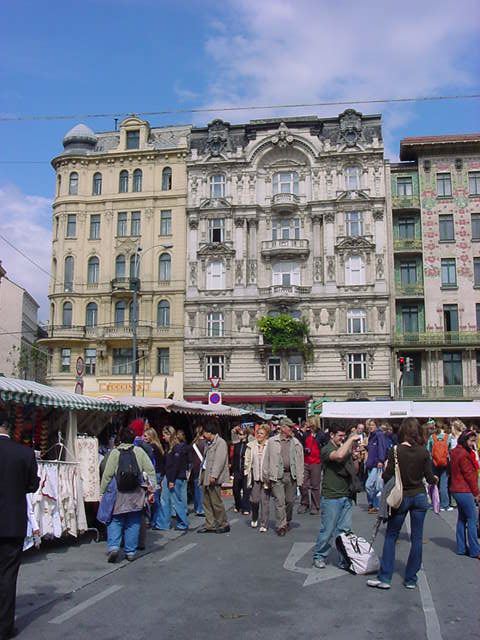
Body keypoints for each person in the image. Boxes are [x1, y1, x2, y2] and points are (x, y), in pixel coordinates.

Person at [367, 418, 438, 590]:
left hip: (401, 497)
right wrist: (434, 479)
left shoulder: (396, 450)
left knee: (391, 535)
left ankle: (385, 578)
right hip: (419, 496)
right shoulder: (423, 452)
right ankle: (411, 579)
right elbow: (430, 478)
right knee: (417, 538)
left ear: (403, 432)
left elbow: (386, 475)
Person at [0, 412, 40, 640]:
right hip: (11, 522)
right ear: (8, 427)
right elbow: (32, 485)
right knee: (7, 575)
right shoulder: (24, 453)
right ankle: (4, 627)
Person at [100, 426, 156, 562]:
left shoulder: (114, 453)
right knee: (133, 521)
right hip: (136, 492)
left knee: (115, 520)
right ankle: (130, 551)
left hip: (118, 493)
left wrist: (102, 492)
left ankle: (114, 547)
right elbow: (150, 470)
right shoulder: (139, 451)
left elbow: (107, 474)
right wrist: (152, 489)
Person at [312, 425, 361, 569]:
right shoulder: (327, 449)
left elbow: (354, 470)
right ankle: (319, 556)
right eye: (340, 435)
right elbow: (338, 455)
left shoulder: (344, 449)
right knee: (328, 530)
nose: (342, 438)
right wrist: (350, 439)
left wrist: (355, 457)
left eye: (344, 436)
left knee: (345, 531)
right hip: (331, 496)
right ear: (332, 435)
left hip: (346, 494)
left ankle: (344, 558)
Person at [262, 417, 304, 536]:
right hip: (277, 475)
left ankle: (287, 519)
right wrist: (266, 475)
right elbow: (266, 459)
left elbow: (300, 461)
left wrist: (301, 478)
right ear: (283, 428)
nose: (292, 429)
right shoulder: (272, 441)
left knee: (290, 501)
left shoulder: (296, 443)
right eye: (290, 427)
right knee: (279, 501)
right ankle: (281, 525)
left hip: (291, 475)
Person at [449, 430, 480, 559]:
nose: (473, 443)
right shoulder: (464, 455)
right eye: (471, 441)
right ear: (465, 440)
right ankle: (475, 550)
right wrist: (476, 492)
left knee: (462, 519)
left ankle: (461, 548)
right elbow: (469, 475)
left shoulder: (455, 451)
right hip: (464, 489)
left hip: (456, 488)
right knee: (472, 519)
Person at [197, 422, 230, 534]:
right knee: (206, 501)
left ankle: (223, 524)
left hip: (212, 475)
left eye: (204, 432)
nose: (203, 435)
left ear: (209, 432)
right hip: (205, 472)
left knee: (216, 501)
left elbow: (219, 461)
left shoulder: (220, 443)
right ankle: (210, 524)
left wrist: (214, 475)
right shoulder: (208, 443)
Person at [155, 427, 189, 531]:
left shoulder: (176, 448)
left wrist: (171, 480)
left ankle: (182, 523)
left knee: (174, 501)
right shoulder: (171, 447)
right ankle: (164, 523)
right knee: (167, 500)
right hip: (171, 477)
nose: (163, 437)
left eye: (165, 435)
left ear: (170, 435)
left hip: (174, 478)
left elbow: (175, 465)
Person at [244, 424, 271, 532]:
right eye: (258, 433)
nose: (259, 435)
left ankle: (264, 524)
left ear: (266, 435)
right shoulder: (251, 445)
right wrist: (246, 471)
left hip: (266, 478)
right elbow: (247, 460)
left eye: (261, 434)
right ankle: (255, 516)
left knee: (265, 502)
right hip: (254, 476)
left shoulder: (270, 446)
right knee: (254, 500)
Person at [427, 422, 452, 511]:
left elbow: (428, 450)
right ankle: (445, 505)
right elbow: (450, 450)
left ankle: (434, 503)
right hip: (445, 464)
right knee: (444, 485)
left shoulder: (432, 437)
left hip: (434, 463)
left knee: (434, 483)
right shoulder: (448, 437)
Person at [365, 419, 388, 514]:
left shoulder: (379, 435)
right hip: (370, 464)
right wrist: (365, 447)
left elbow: (382, 447)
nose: (371, 427)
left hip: (376, 464)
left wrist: (381, 460)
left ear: (376, 426)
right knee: (374, 486)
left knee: (369, 485)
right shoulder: (371, 435)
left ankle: (374, 504)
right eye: (369, 425)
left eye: (373, 425)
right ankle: (374, 505)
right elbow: (373, 448)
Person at [298, 422, 322, 515]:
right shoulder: (305, 434)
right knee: (303, 484)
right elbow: (300, 443)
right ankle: (305, 503)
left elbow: (323, 445)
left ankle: (315, 506)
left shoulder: (320, 434)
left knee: (315, 485)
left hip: (316, 461)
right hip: (305, 461)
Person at [143, 428, 165, 529]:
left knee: (154, 498)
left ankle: (155, 521)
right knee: (155, 497)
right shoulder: (157, 446)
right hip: (158, 473)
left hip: (155, 474)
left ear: (151, 436)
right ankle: (155, 520)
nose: (144, 438)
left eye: (146, 436)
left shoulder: (151, 447)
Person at [231, 426, 250, 515]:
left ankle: (246, 508)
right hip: (237, 470)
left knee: (246, 490)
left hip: (245, 470)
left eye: (242, 434)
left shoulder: (249, 446)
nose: (240, 436)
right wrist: (232, 470)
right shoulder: (236, 445)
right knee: (235, 489)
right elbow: (234, 458)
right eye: (239, 434)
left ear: (246, 435)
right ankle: (238, 505)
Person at [191, 426, 206, 516]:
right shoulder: (206, 443)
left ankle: (197, 507)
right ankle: (202, 508)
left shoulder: (194, 443)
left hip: (196, 468)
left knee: (197, 488)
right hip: (204, 467)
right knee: (202, 489)